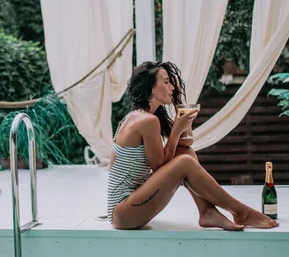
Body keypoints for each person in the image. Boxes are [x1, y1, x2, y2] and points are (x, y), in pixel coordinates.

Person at [108, 61, 279, 231]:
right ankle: (242, 212)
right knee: (184, 162)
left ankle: (207, 212)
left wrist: (179, 104)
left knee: (186, 153)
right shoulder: (147, 121)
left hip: (131, 206)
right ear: (151, 88)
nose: (172, 87)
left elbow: (186, 143)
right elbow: (160, 167)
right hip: (124, 212)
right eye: (167, 82)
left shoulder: (143, 116)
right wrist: (176, 129)